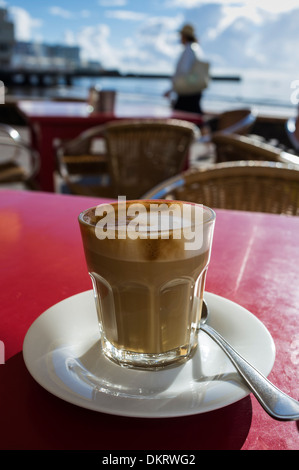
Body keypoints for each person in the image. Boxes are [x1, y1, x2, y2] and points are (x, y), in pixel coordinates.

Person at [164, 24, 205, 114]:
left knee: (181, 116)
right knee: (195, 115)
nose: (180, 38)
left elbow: (183, 72)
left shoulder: (189, 50)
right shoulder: (196, 48)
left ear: (185, 36)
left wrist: (172, 89)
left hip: (187, 93)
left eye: (181, 36)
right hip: (194, 91)